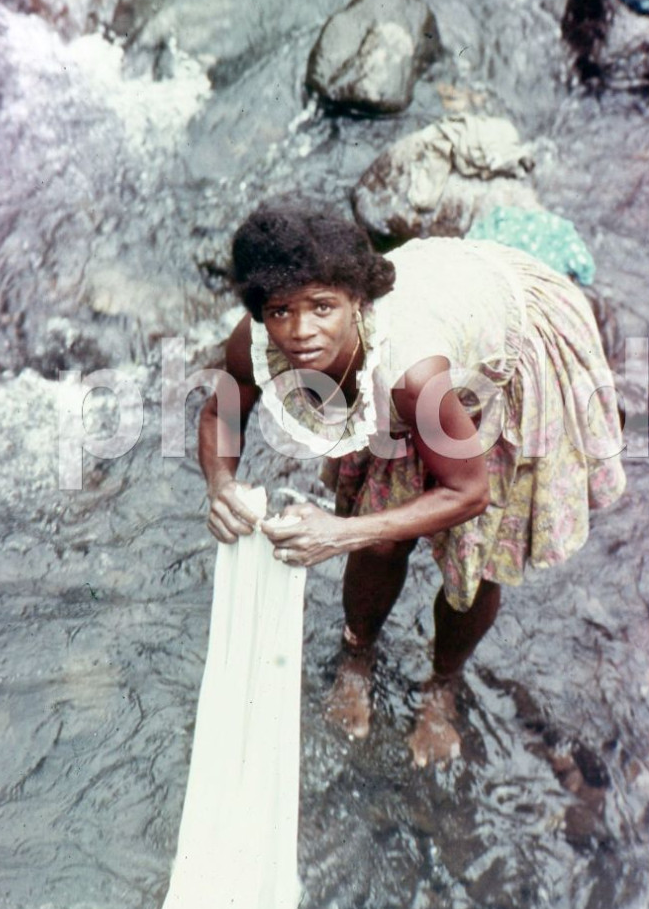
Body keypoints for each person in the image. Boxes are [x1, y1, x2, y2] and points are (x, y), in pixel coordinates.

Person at [198, 198, 626, 766]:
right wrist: (221, 484)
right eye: (280, 312)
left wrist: (338, 534)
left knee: (474, 562)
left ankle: (442, 686)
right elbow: (220, 411)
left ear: (357, 300)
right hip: (429, 349)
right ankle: (357, 655)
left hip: (508, 359)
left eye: (322, 307)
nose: (300, 331)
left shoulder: (411, 371)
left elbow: (468, 492)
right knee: (379, 537)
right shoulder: (255, 341)